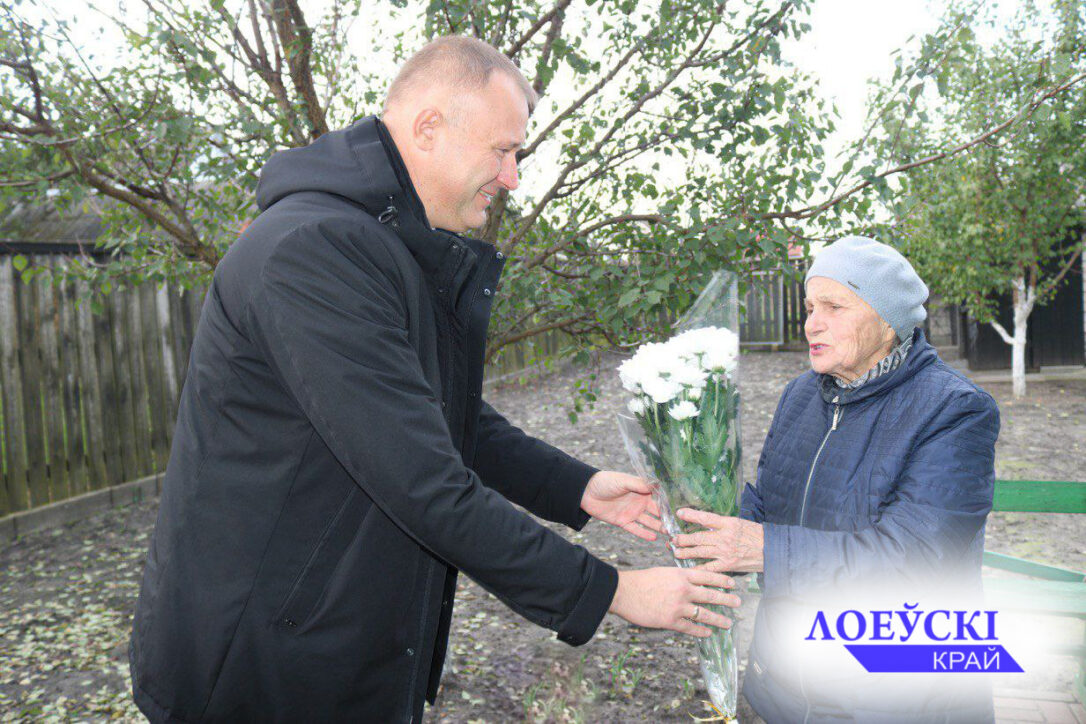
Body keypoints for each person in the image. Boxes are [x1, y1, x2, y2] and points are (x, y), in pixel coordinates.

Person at [127, 35, 738, 723]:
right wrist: (611, 591)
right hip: (260, 668)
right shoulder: (312, 254)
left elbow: (449, 418)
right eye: (503, 151)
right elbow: (421, 480)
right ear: (427, 128)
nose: (512, 177)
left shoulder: (382, 246)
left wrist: (577, 488)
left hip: (333, 643)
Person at [671, 235, 1000, 722]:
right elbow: (768, 506)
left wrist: (760, 547)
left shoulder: (954, 410)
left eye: (834, 306)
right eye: (808, 307)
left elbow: (912, 563)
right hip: (784, 688)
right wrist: (699, 516)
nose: (811, 323)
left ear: (887, 323)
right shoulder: (801, 396)